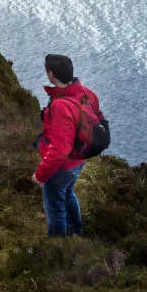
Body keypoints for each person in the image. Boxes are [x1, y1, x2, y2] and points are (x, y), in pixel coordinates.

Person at [32, 53, 102, 237]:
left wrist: (41, 174)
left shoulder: (60, 106)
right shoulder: (87, 93)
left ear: (51, 75)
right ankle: (76, 231)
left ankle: (58, 249)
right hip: (79, 159)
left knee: (55, 208)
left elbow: (59, 150)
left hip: (62, 166)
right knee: (68, 192)